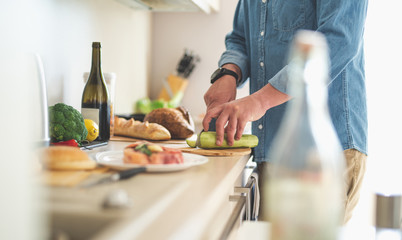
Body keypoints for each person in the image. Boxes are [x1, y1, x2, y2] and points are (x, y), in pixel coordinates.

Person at [202, 0, 368, 224]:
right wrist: (227, 74)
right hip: (270, 150)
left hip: (323, 153)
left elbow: (340, 40)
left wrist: (260, 101)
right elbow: (240, 38)